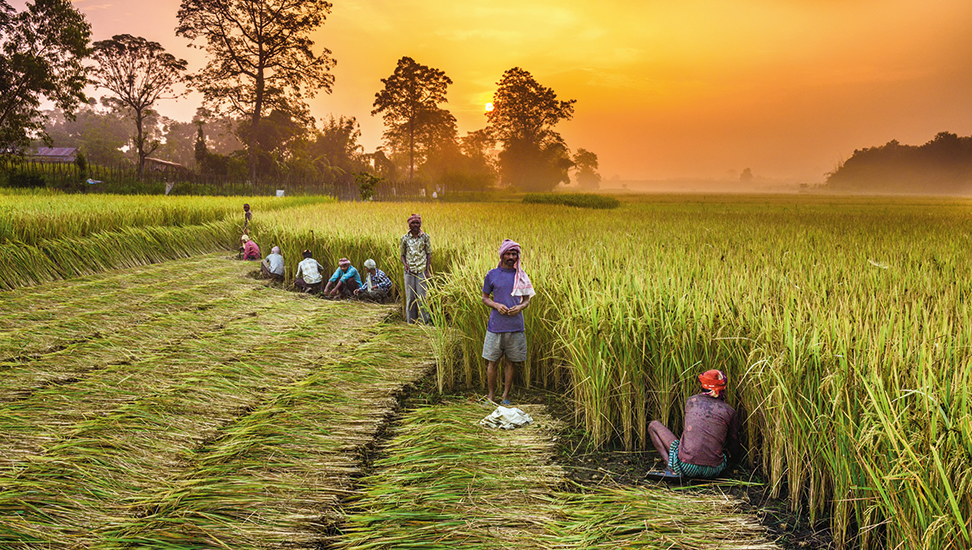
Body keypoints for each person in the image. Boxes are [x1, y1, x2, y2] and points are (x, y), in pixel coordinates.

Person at [648, 369, 740, 479]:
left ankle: (671, 468)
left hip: (687, 466)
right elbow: (733, 444)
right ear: (723, 388)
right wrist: (734, 464)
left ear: (703, 385)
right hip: (714, 470)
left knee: (653, 425)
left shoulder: (691, 401)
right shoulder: (729, 411)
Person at [481, 239, 534, 405]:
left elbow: (526, 300)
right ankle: (491, 397)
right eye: (508, 254)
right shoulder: (492, 275)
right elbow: (485, 298)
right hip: (495, 327)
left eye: (514, 254)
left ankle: (505, 397)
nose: (511, 257)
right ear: (502, 255)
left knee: (511, 363)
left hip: (516, 327)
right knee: (492, 362)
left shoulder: (522, 276)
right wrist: (496, 305)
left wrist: (520, 308)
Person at [400, 213, 432, 323]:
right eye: (413, 223)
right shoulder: (404, 238)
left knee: (422, 297)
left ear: (420, 224)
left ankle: (424, 322)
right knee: (410, 298)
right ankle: (411, 322)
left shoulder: (425, 237)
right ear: (409, 224)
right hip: (409, 272)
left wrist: (427, 271)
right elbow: (402, 254)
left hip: (421, 271)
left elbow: (428, 254)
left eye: (417, 223)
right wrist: (405, 264)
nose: (415, 225)